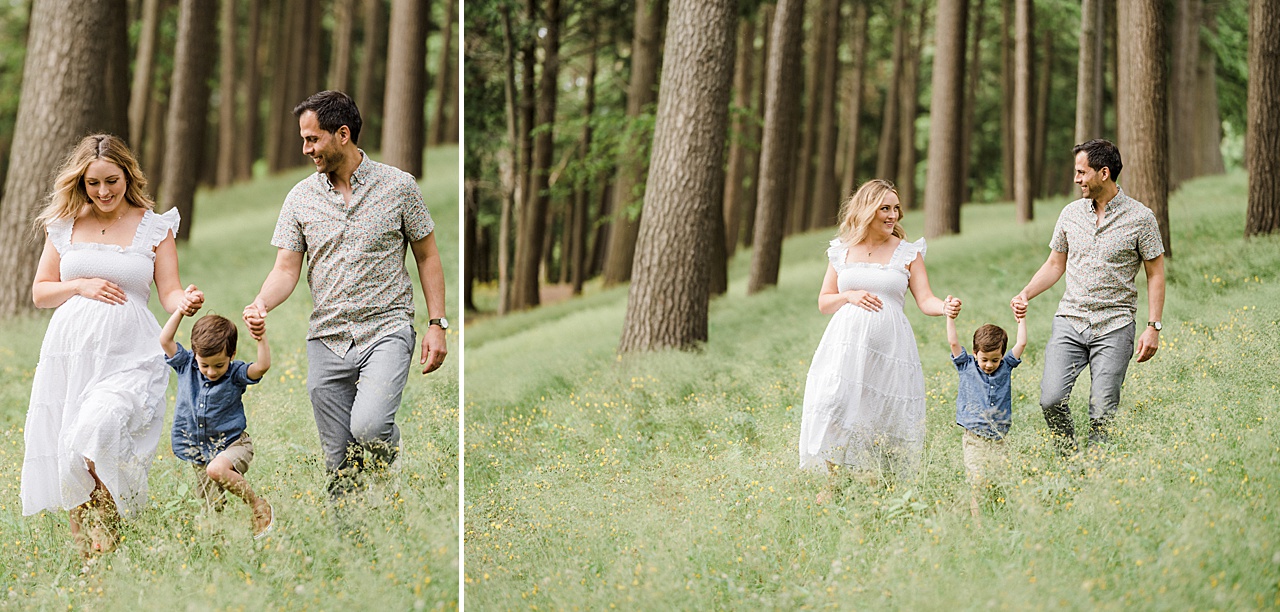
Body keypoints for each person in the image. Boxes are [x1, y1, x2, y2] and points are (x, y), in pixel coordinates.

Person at [243, 90, 448, 498]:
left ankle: (389, 460)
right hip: (327, 339)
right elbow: (286, 268)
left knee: (370, 428)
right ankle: (353, 543)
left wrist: (436, 324)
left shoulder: (399, 186)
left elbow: (427, 256)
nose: (305, 149)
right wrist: (261, 302)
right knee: (338, 461)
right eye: (303, 139)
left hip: (387, 329)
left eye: (311, 139)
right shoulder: (300, 197)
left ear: (342, 134)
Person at [22, 134, 203, 556]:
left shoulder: (154, 227)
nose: (103, 192)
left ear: (128, 175)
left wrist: (186, 301)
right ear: (81, 182)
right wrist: (80, 284)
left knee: (100, 430)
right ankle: (91, 554)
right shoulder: (64, 225)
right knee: (71, 449)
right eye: (93, 183)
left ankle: (116, 533)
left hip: (130, 353)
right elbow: (40, 292)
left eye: (111, 181)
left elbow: (169, 292)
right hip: (70, 355)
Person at [799, 179, 960, 496]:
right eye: (885, 208)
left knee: (879, 414)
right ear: (867, 209)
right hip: (845, 345)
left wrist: (945, 306)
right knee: (834, 404)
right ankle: (830, 485)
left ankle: (875, 488)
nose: (892, 215)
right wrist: (850, 296)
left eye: (896, 208)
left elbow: (924, 299)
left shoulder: (907, 253)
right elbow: (824, 301)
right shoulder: (841, 251)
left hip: (889, 348)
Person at [1011, 138, 1165, 453]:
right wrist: (1026, 292)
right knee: (1051, 399)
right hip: (1070, 321)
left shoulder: (1141, 218)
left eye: (1082, 172)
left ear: (1103, 173)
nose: (1077, 179)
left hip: (1115, 325)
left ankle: (1096, 474)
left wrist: (1153, 326)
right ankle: (1070, 460)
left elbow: (1156, 273)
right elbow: (1056, 264)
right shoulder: (1070, 214)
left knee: (1102, 411)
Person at [160, 309, 274, 538]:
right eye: (205, 365)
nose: (211, 371)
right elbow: (165, 339)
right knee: (212, 511)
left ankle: (259, 505)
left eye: (219, 365)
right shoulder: (186, 365)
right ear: (195, 356)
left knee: (217, 469)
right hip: (200, 452)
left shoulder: (235, 374)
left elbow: (261, 366)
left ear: (231, 355)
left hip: (234, 444)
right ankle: (219, 547)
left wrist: (261, 337)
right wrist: (181, 311)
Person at [946, 303, 1027, 516]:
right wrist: (950, 316)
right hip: (974, 437)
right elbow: (953, 341)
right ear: (975, 353)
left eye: (995, 359)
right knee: (977, 482)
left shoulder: (1006, 366)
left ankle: (998, 515)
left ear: (1002, 356)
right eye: (984, 359)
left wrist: (1021, 319)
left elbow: (1022, 342)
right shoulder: (966, 365)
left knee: (1000, 480)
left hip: (1000, 437)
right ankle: (978, 525)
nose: (989, 364)